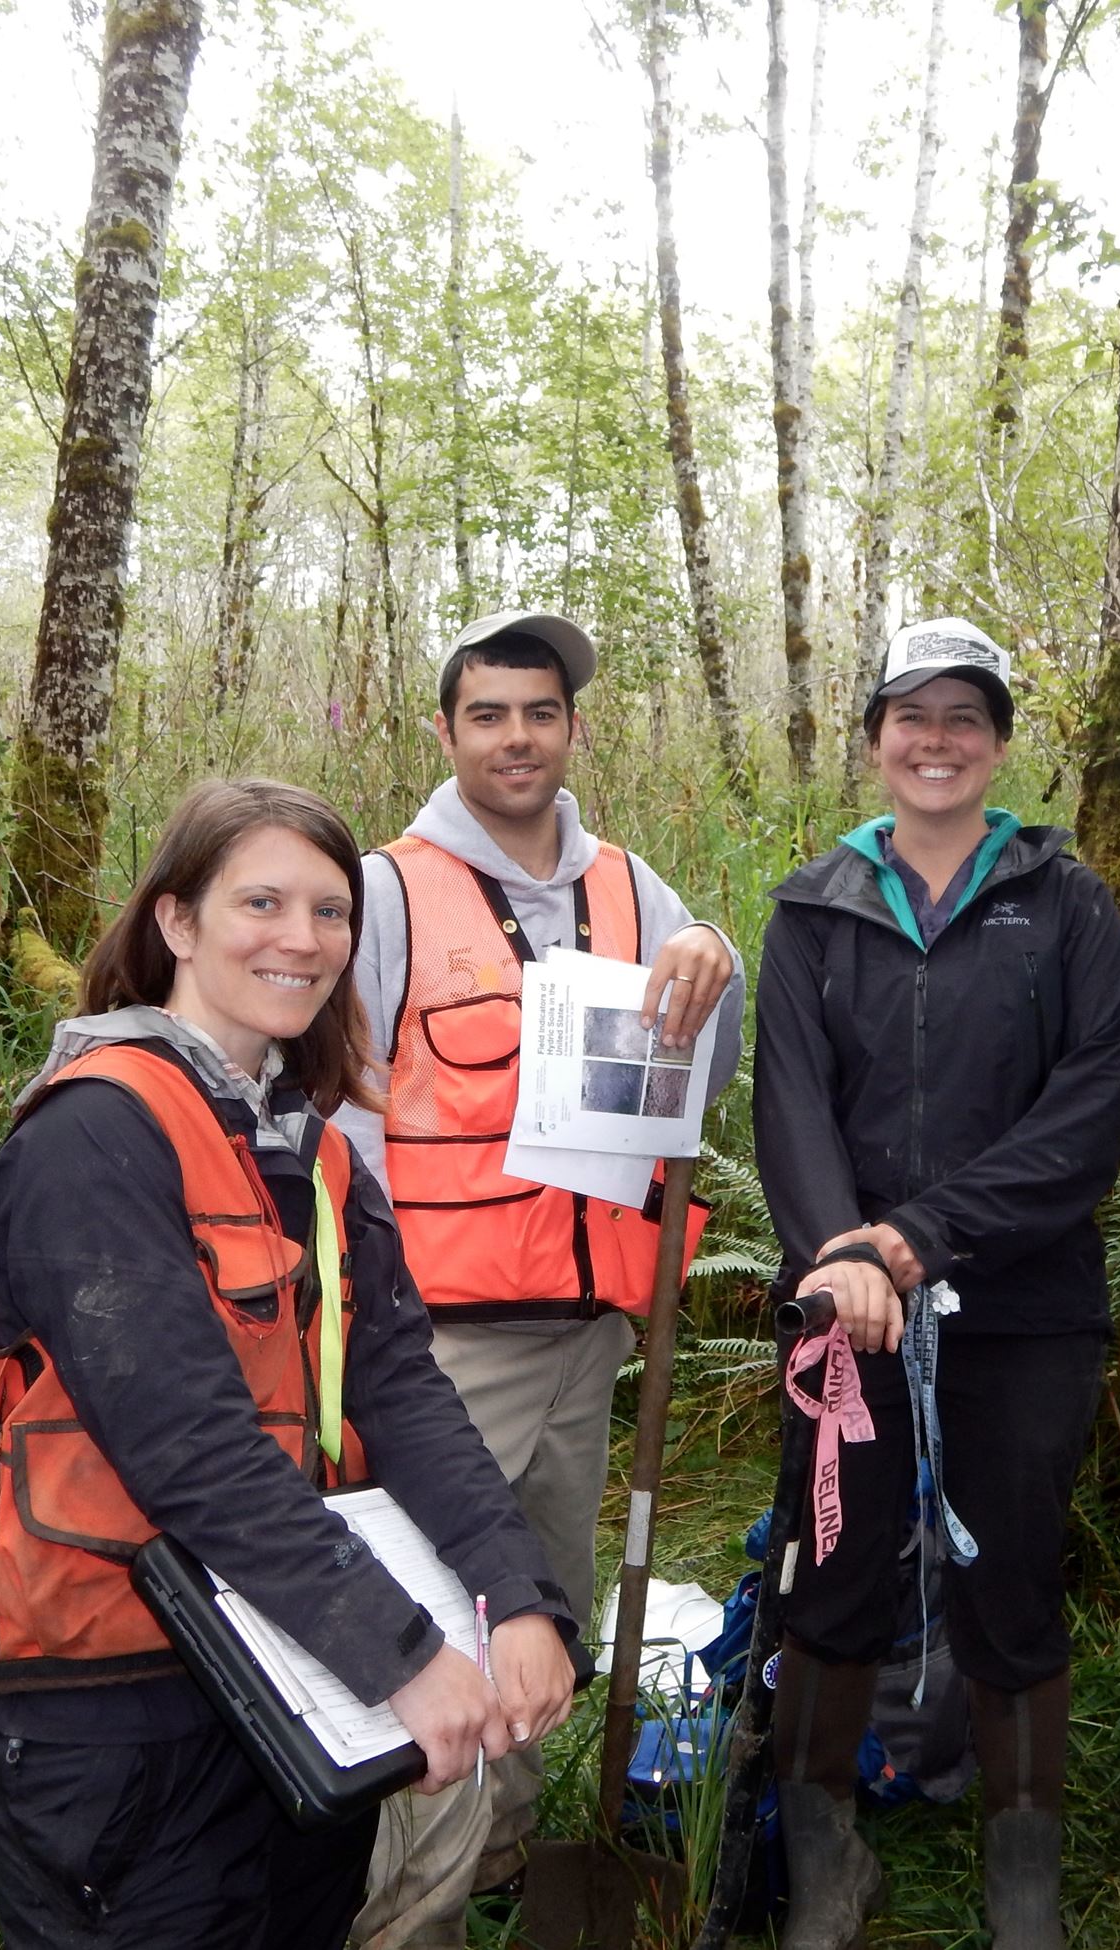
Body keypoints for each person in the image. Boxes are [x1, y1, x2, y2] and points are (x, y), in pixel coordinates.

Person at [0, 779, 577, 1950]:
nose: (302, 939)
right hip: (114, 1703)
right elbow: (187, 1447)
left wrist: (513, 1597)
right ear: (174, 922)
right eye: (260, 901)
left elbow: (402, 1395)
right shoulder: (91, 1138)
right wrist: (404, 1656)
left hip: (294, 1680)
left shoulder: (309, 1154)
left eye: (330, 910)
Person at [334, 611, 745, 1950]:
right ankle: (411, 1913)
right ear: (448, 732)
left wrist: (716, 965)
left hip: (590, 1332)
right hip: (441, 1339)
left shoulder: (635, 887)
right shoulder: (388, 892)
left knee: (546, 1609)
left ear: (573, 728)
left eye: (541, 711)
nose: (518, 736)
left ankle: (505, 1855)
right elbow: (340, 1116)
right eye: (489, 713)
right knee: (446, 1621)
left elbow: (701, 1077)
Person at [752, 618, 1120, 1950]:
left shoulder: (1068, 900)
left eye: (963, 716)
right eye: (910, 715)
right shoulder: (813, 907)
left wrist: (912, 1239)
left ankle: (1020, 1874)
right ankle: (824, 1861)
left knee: (1014, 1571)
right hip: (843, 1310)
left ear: (998, 743)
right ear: (872, 739)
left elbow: (1086, 1117)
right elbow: (791, 1104)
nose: (935, 739)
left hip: (1023, 1308)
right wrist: (843, 1257)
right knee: (833, 1567)